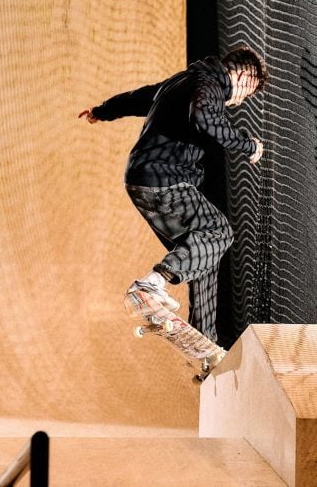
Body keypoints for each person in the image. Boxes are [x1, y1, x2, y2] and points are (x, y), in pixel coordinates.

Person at [79, 45, 268, 343]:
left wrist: (102, 111)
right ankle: (152, 284)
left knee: (205, 252)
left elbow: (138, 98)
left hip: (141, 181)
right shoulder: (209, 86)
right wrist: (248, 145)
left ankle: (204, 341)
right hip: (166, 181)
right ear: (243, 75)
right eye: (248, 91)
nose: (241, 101)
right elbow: (206, 119)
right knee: (218, 231)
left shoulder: (181, 81)